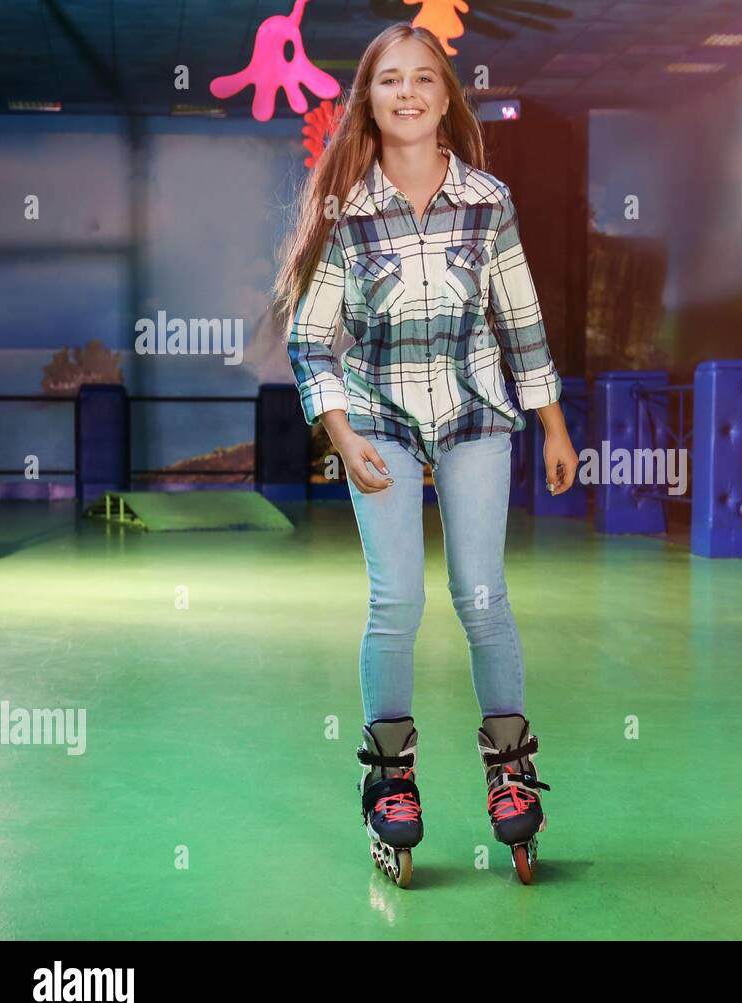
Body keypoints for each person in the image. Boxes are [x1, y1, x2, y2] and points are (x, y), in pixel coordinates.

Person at [274, 23, 578, 886]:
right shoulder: (349, 209)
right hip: (378, 420)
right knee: (396, 602)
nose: (406, 93)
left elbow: (519, 321)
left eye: (423, 80)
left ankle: (510, 766)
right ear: (367, 102)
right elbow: (311, 339)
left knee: (482, 597)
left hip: (477, 410)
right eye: (388, 82)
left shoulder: (489, 198)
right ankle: (391, 780)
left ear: (447, 97)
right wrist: (342, 433)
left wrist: (552, 423)